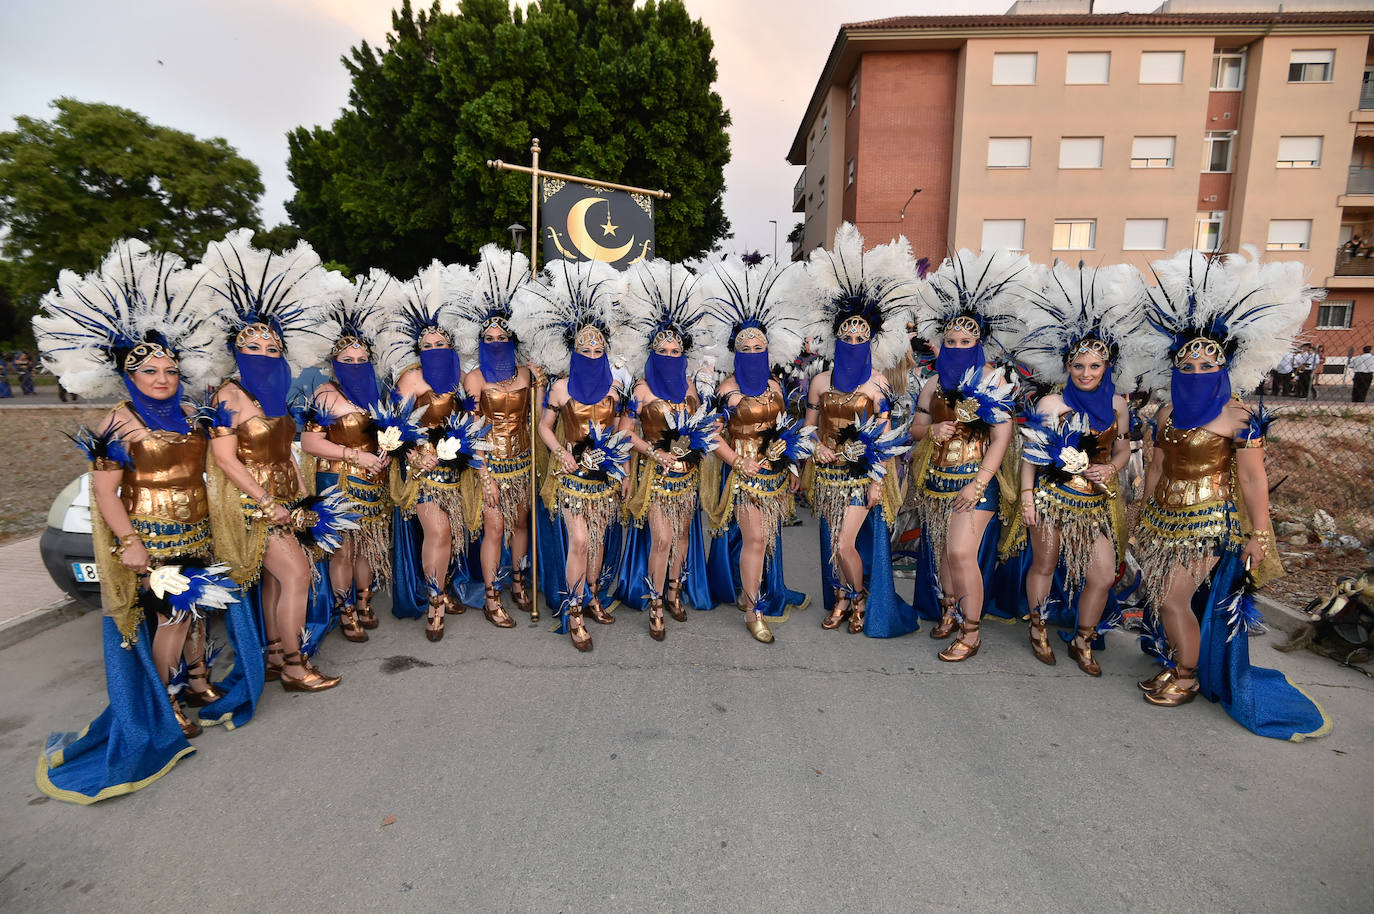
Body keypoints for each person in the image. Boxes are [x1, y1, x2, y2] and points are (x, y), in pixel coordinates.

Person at [32, 239, 237, 802]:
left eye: (170, 369)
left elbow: (217, 467)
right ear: (128, 375)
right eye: (149, 371)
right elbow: (105, 493)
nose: (163, 378)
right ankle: (163, 696)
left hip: (198, 528)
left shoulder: (194, 415)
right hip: (152, 536)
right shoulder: (115, 425)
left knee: (199, 608)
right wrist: (129, 544)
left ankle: (198, 682)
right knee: (172, 616)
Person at [1134, 248, 1329, 739]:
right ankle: (1178, 659)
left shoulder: (1238, 417)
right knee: (1160, 597)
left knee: (1174, 599)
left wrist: (1258, 535)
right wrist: (1142, 510)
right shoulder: (1164, 414)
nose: (1196, 373)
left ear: (1224, 367)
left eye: (1206, 366)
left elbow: (1252, 481)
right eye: (1188, 366)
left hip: (1208, 523)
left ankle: (1187, 676)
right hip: (1162, 519)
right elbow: (1157, 465)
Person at [201, 229, 342, 693]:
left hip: (285, 495)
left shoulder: (281, 392)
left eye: (272, 348)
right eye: (253, 347)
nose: (264, 354)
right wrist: (266, 501)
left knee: (276, 582)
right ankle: (297, 666)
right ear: (235, 351)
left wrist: (300, 494)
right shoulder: (230, 394)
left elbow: (290, 447)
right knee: (297, 573)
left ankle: (278, 655)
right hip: (253, 504)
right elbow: (225, 460)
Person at [1005, 262, 1142, 673]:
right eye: (1078, 366)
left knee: (1102, 574)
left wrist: (1114, 469)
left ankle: (1083, 638)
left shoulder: (1119, 405)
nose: (1085, 373)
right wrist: (1027, 498)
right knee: (1044, 564)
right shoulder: (1051, 405)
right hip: (1050, 498)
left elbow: (1121, 450)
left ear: (1107, 368)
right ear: (1067, 366)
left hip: (1095, 501)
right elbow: (1030, 457)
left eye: (1094, 366)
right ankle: (1038, 627)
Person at [904, 249, 1029, 661]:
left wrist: (979, 484)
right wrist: (931, 430)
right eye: (951, 341)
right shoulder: (932, 385)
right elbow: (915, 429)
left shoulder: (994, 379)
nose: (957, 346)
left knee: (961, 552)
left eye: (966, 341)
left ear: (979, 343)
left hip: (976, 483)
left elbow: (1003, 435)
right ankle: (950, 611)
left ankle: (971, 634)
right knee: (943, 551)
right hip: (937, 484)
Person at [802, 224, 917, 638]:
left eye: (859, 336)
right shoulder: (820, 382)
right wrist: (815, 448)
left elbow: (885, 440)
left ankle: (857, 596)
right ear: (836, 338)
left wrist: (877, 482)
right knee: (832, 543)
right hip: (827, 476)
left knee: (845, 544)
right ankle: (843, 597)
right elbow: (809, 429)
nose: (852, 341)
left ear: (870, 340)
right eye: (846, 336)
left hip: (860, 478)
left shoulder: (879, 384)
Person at [516, 260, 629, 652]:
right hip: (570, 476)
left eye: (598, 348)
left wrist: (623, 468)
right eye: (585, 348)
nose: (593, 353)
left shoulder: (615, 387)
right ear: (573, 349)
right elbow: (544, 427)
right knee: (579, 540)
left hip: (605, 477)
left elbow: (619, 432)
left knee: (596, 541)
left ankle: (594, 596)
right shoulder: (561, 388)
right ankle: (575, 609)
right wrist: (561, 452)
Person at [700, 256, 813, 643]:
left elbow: (786, 429)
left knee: (769, 539)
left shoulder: (777, 386)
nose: (752, 351)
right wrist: (735, 461)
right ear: (734, 350)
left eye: (758, 345)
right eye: (744, 347)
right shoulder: (725, 389)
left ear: (769, 347)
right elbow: (709, 436)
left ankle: (759, 592)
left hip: (776, 475)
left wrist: (794, 467)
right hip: (744, 476)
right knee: (756, 540)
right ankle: (753, 609)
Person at [613, 258, 717, 641]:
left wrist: (702, 436)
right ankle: (655, 600)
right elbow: (625, 433)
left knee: (684, 536)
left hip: (687, 475)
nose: (671, 356)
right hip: (656, 476)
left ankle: (675, 589)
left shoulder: (691, 387)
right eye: (665, 351)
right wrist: (653, 454)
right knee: (661, 538)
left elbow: (701, 426)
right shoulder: (640, 389)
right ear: (653, 352)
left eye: (676, 351)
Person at [383, 261, 479, 641]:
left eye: (441, 344)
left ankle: (442, 587)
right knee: (436, 531)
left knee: (451, 535)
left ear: (450, 345)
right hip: (422, 470)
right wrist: (414, 450)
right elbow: (392, 424)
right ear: (418, 347)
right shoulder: (410, 377)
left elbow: (471, 419)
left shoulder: (460, 376)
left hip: (453, 469)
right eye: (428, 345)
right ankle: (435, 601)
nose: (435, 349)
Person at [301, 272, 395, 642]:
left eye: (362, 358)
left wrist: (385, 452)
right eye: (347, 359)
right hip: (339, 480)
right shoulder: (326, 393)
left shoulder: (376, 391)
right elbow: (310, 443)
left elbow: (386, 432)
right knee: (343, 548)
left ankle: (364, 600)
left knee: (368, 545)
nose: (355, 364)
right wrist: (355, 457)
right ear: (334, 361)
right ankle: (345, 611)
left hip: (372, 480)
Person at [456, 246, 537, 625]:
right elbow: (470, 430)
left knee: (521, 524)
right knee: (495, 527)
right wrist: (484, 474)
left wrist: (542, 376)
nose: (495, 340)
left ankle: (519, 582)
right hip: (489, 464)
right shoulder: (472, 379)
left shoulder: (526, 375)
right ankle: (491, 598)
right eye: (488, 336)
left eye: (502, 334)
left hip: (522, 463)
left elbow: (539, 419)